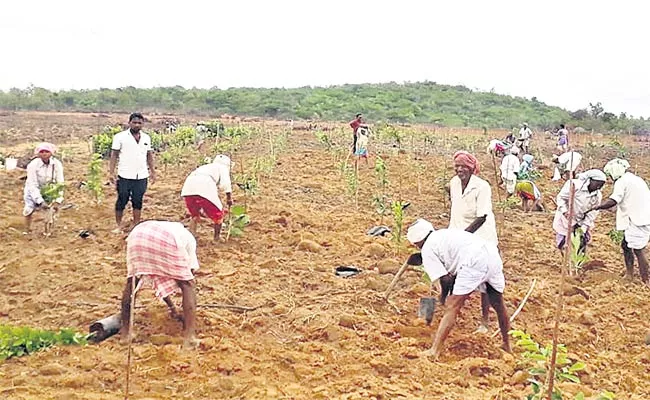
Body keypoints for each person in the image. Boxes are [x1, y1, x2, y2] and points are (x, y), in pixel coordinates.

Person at [406, 219, 511, 359]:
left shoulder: (427, 249)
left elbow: (444, 279)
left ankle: (434, 351)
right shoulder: (445, 234)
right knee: (498, 303)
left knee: (453, 306)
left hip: (473, 261)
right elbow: (449, 277)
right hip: (493, 255)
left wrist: (443, 298)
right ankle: (507, 345)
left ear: (416, 243)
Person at [120, 220, 199, 348]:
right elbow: (188, 277)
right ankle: (189, 336)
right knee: (187, 285)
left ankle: (125, 334)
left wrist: (172, 308)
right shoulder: (190, 241)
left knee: (132, 282)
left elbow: (159, 282)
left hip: (137, 236)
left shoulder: (176, 231)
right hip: (167, 239)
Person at [586, 159, 650, 286]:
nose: (610, 178)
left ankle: (646, 280)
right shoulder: (636, 179)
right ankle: (629, 274)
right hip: (642, 216)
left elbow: (613, 200)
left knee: (638, 250)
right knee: (626, 245)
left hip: (637, 219)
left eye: (610, 175)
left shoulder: (622, 182)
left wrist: (597, 207)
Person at [109, 113, 156, 233]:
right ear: (129, 123)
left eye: (139, 123)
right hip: (124, 175)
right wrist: (111, 172)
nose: (137, 125)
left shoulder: (146, 138)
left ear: (143, 124)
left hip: (141, 175)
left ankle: (136, 225)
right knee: (122, 199)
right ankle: (118, 225)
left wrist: (153, 172)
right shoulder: (120, 137)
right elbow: (114, 155)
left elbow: (149, 155)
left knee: (138, 200)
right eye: (134, 122)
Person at [448, 151, 498, 246]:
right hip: (458, 233)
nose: (459, 169)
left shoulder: (482, 187)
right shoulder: (454, 182)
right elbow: (456, 210)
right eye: (457, 166)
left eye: (464, 166)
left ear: (471, 169)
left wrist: (463, 236)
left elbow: (481, 218)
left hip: (480, 236)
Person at [181, 154, 234, 241]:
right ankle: (217, 238)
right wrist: (229, 198)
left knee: (194, 214)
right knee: (218, 213)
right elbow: (225, 184)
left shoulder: (205, 167)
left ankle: (191, 235)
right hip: (204, 186)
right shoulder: (222, 168)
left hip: (188, 186)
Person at [552, 169, 605, 254]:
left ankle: (578, 264)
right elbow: (561, 198)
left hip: (581, 219)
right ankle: (565, 260)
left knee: (580, 242)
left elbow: (593, 212)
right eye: (597, 183)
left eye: (601, 185)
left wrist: (584, 226)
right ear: (590, 180)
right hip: (566, 217)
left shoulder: (597, 195)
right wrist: (565, 211)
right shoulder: (574, 185)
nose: (599, 187)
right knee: (564, 242)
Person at [23, 143, 64, 233]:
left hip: (49, 189)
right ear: (38, 153)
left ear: (51, 153)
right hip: (33, 188)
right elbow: (32, 184)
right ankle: (27, 230)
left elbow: (60, 183)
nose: (44, 154)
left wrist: (58, 200)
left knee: (49, 210)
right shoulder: (33, 165)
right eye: (42, 151)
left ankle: (47, 232)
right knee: (28, 209)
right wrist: (40, 201)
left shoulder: (56, 164)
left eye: (47, 151)